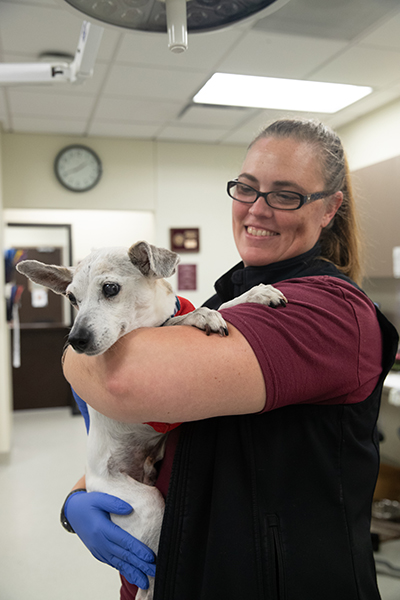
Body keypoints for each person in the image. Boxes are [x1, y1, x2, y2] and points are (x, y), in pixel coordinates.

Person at [62, 118, 398, 600]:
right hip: (194, 563)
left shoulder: (329, 312)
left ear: (330, 209)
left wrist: (73, 354)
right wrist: (81, 494)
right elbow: (170, 427)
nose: (257, 209)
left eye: (286, 195)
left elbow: (124, 381)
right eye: (247, 188)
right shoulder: (226, 297)